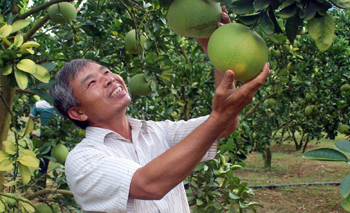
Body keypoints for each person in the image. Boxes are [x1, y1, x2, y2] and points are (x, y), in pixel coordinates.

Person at [49, 7, 270, 213]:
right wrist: (220, 115)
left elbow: (225, 126)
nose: (109, 79)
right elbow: (148, 185)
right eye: (91, 83)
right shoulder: (82, 160)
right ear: (77, 112)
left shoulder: (156, 132)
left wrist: (222, 56)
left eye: (106, 72)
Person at [30, 99, 60, 188]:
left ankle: (41, 189)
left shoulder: (39, 105)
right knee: (66, 164)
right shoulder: (62, 104)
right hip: (60, 140)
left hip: (45, 140)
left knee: (43, 165)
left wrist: (30, 132)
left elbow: (31, 119)